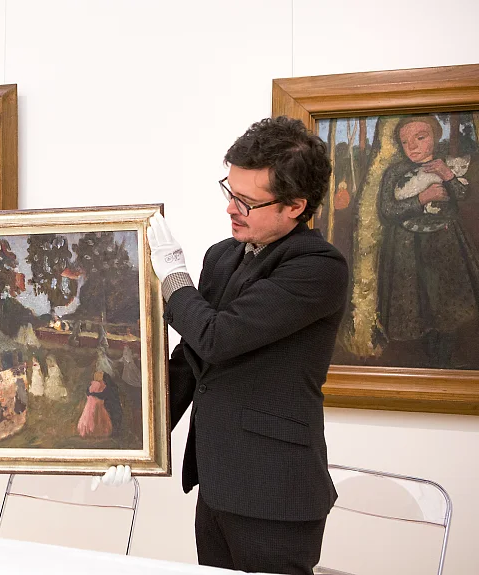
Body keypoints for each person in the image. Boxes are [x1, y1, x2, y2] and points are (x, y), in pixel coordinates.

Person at [147, 116, 349, 575]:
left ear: (295, 205)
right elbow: (191, 360)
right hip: (217, 482)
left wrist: (174, 277)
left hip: (276, 492)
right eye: (230, 191)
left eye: (247, 202)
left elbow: (217, 337)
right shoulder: (222, 256)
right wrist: (133, 442)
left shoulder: (318, 267)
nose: (231, 209)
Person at [377, 115, 479, 368]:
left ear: (435, 137)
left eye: (420, 137)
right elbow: (387, 211)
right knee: (418, 302)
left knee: (446, 302)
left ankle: (443, 360)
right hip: (407, 248)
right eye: (405, 142)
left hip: (445, 243)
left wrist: (448, 176)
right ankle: (425, 363)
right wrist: (422, 198)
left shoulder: (445, 165)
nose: (412, 146)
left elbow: (463, 194)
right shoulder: (395, 173)